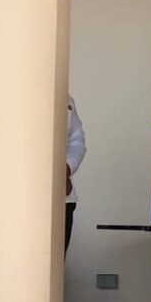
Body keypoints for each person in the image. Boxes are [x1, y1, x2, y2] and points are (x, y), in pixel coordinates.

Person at [64, 94, 86, 256]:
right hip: (25, 201)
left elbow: (76, 142)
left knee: (55, 268)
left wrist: (66, 168)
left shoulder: (66, 99)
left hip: (64, 200)